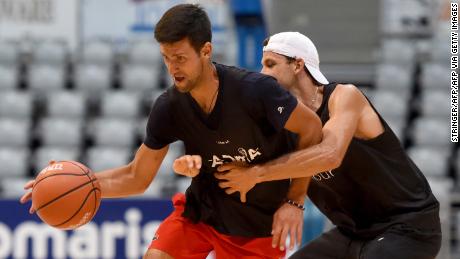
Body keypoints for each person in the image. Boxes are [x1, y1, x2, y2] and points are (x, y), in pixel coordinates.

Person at [20, 6, 322, 259]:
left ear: (206, 51)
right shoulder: (169, 107)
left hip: (257, 227)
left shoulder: (256, 91)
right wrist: (71, 185)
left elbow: (312, 130)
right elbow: (136, 176)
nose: (172, 67)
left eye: (180, 58)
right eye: (166, 58)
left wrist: (294, 201)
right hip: (200, 215)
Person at [209, 32, 442, 259]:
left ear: (298, 65)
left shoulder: (344, 97)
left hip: (408, 227)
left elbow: (329, 155)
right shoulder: (283, 123)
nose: (263, 73)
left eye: (271, 64)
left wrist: (256, 174)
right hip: (354, 232)